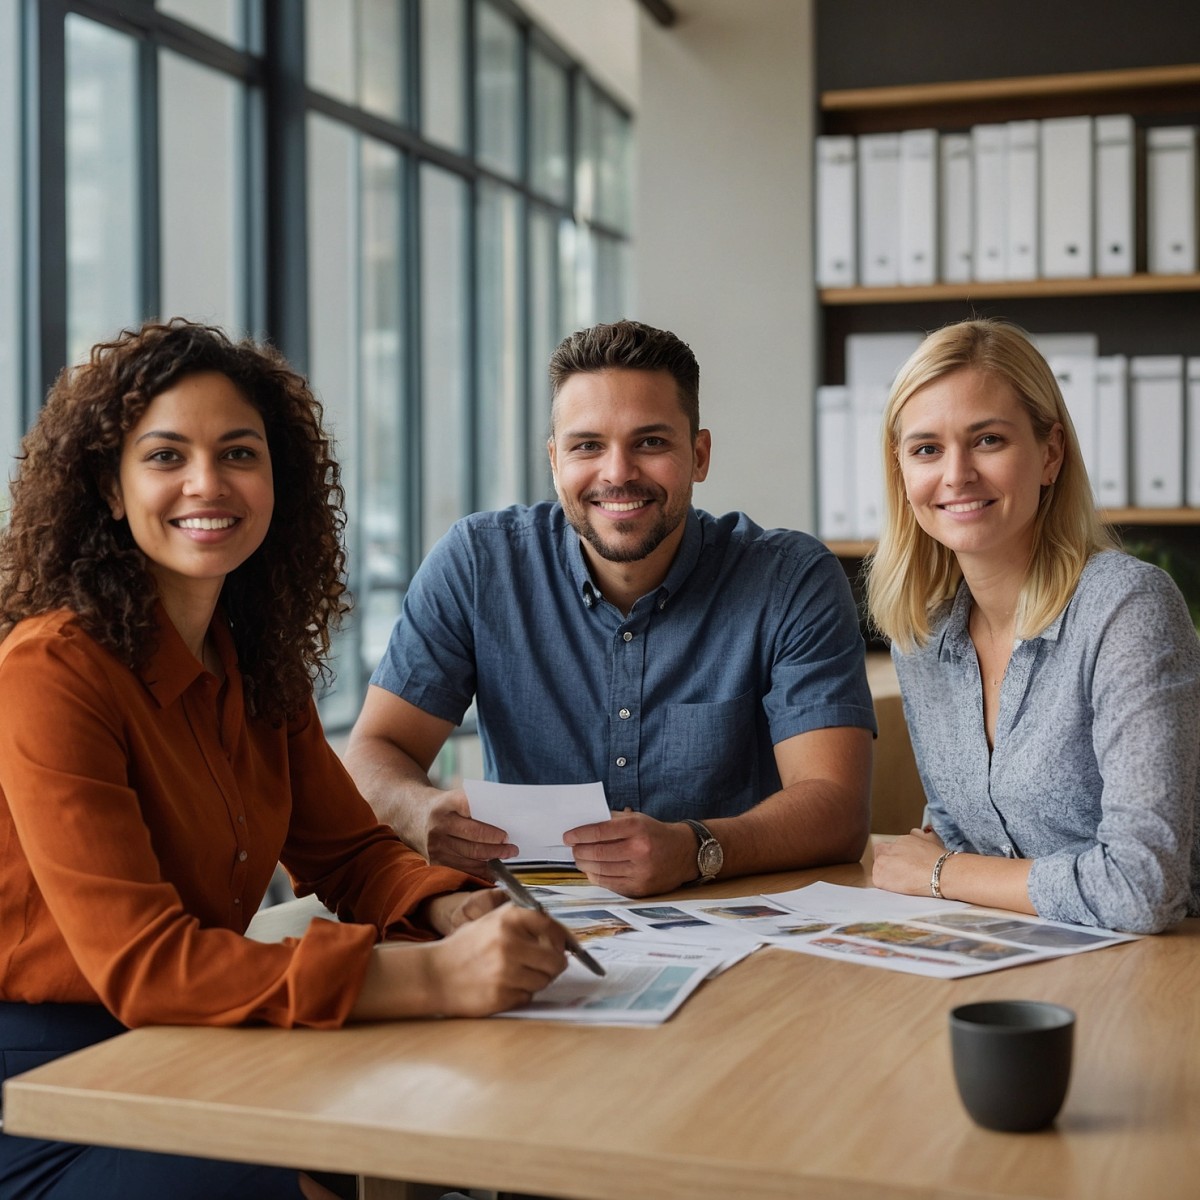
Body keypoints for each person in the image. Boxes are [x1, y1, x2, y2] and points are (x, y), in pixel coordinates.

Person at [0, 319, 568, 1200]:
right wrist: (433, 976)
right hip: (48, 1084)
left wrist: (456, 913)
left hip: (196, 1038)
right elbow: (147, 968)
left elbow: (347, 852)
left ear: (277, 481)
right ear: (109, 489)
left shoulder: (250, 660)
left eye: (239, 453)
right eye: (164, 457)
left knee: (439, 1116)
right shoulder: (49, 670)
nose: (206, 483)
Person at [345, 319, 876, 899]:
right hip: (535, 923)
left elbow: (836, 808)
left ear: (699, 455)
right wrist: (419, 812)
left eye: (650, 442)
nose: (617, 473)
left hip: (735, 915)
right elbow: (375, 751)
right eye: (587, 445)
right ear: (555, 461)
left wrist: (695, 848)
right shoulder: (477, 565)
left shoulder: (790, 579)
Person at [866, 317, 1200, 934]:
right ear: (902, 472)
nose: (956, 473)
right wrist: (948, 864)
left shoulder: (1125, 608)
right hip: (1028, 950)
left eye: (988, 440)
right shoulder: (924, 632)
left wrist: (941, 872)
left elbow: (1143, 885)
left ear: (1049, 454)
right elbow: (956, 830)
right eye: (926, 449)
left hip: (1166, 969)